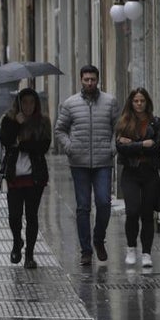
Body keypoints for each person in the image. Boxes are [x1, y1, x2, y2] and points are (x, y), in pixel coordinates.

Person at [54, 64, 118, 266]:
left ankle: (98, 239)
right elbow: (60, 129)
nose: (89, 83)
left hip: (103, 161)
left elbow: (119, 128)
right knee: (82, 207)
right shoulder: (70, 104)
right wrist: (69, 147)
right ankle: (86, 250)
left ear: (98, 80)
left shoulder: (110, 102)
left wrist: (112, 148)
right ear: (80, 80)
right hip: (79, 162)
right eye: (86, 79)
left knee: (104, 203)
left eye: (92, 79)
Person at [0, 88, 52, 269]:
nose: (28, 106)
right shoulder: (9, 120)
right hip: (14, 176)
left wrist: (23, 144)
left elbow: (43, 147)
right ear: (19, 104)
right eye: (25, 102)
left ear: (36, 104)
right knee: (14, 216)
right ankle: (16, 242)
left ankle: (29, 255)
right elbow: (5, 141)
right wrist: (17, 125)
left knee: (32, 216)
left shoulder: (42, 121)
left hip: (35, 177)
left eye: (32, 102)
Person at [115, 87, 160, 268]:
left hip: (150, 172)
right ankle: (130, 248)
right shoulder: (124, 122)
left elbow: (157, 148)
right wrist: (143, 144)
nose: (139, 104)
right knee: (132, 211)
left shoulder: (157, 123)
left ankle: (146, 253)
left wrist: (132, 145)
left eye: (142, 101)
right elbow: (120, 148)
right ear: (131, 102)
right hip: (131, 173)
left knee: (147, 214)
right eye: (136, 101)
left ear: (147, 102)